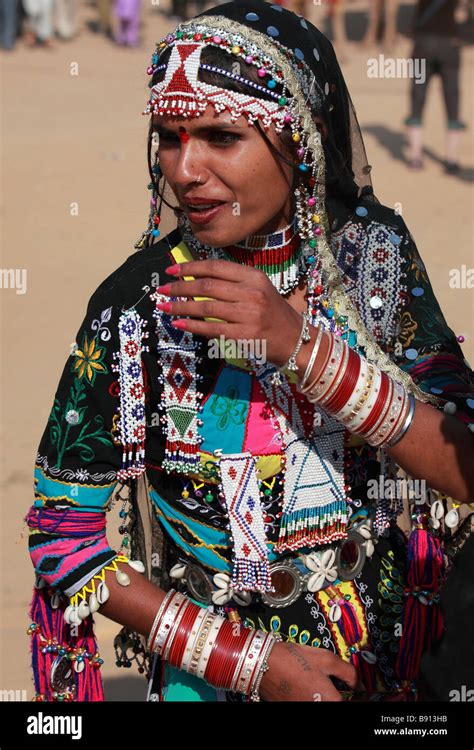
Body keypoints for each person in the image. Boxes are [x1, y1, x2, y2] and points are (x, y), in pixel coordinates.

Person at [25, 0, 474, 703]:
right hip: (207, 679)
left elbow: (465, 463)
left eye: (220, 135)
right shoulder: (138, 304)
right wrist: (255, 664)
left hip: (384, 664)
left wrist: (302, 348)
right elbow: (62, 536)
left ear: (302, 139)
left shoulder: (373, 260)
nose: (186, 168)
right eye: (170, 137)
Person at [404, 0, 467, 173]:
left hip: (423, 43)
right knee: (452, 99)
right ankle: (452, 159)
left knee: (417, 98)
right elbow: (461, 14)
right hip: (449, 43)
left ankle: (415, 157)